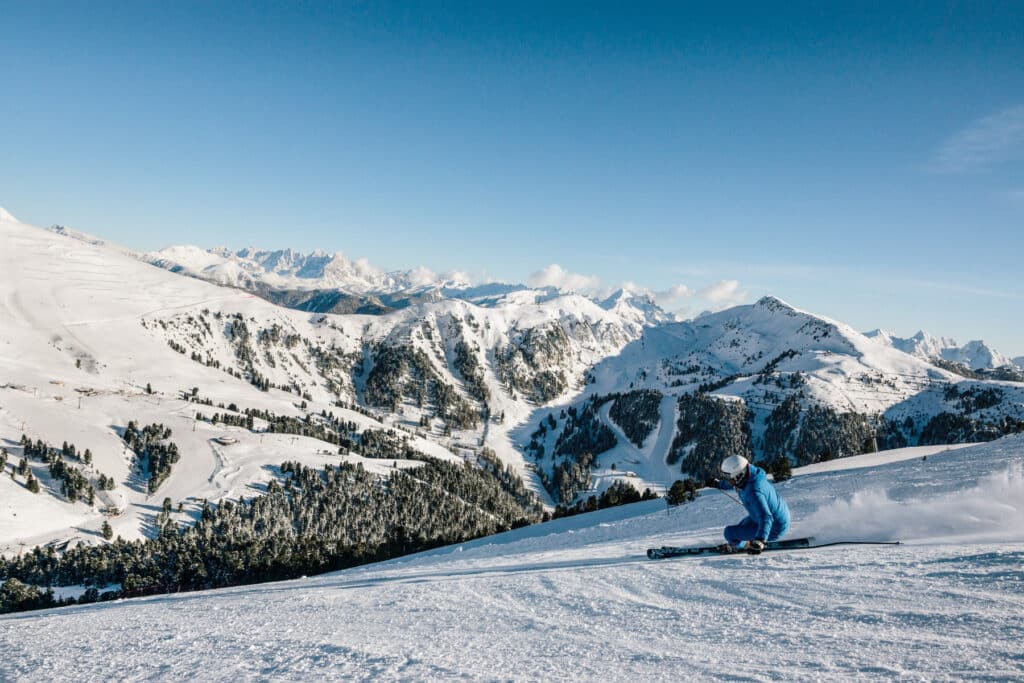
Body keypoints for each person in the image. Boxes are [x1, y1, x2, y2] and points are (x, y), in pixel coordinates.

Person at [717, 454, 790, 554]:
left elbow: (766, 517)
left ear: (739, 475)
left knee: (729, 533)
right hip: (776, 515)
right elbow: (733, 483)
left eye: (730, 478)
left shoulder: (754, 491)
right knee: (741, 526)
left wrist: (760, 540)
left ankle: (739, 547)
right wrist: (718, 484)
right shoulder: (752, 474)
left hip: (774, 526)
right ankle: (743, 541)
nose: (729, 481)